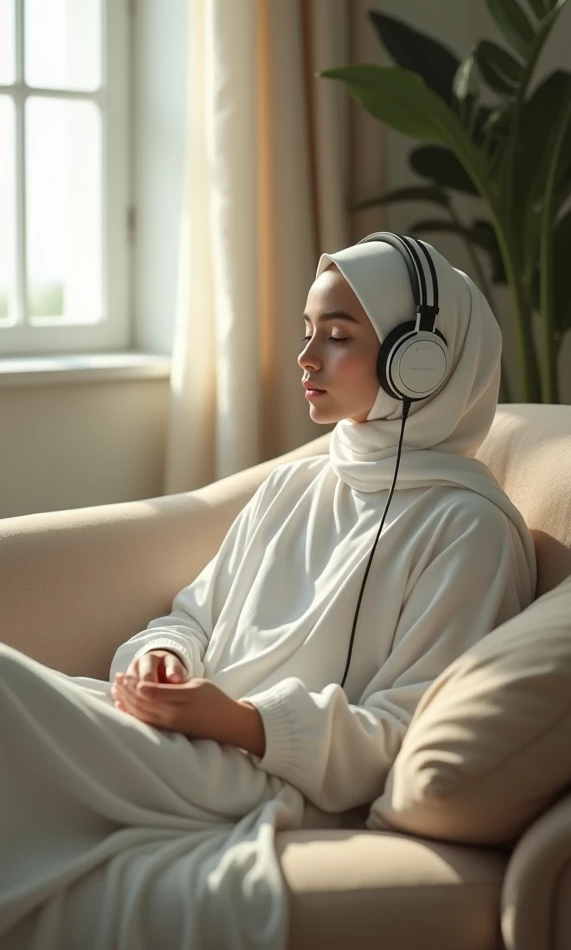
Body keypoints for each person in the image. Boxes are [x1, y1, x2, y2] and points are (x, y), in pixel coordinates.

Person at [0, 236, 536, 950]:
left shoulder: (470, 530)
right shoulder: (298, 483)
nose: (306, 358)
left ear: (421, 363)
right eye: (307, 333)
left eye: (338, 337)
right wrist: (165, 656)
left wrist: (242, 723)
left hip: (264, 775)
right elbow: (194, 613)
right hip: (184, 736)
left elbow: (406, 736)